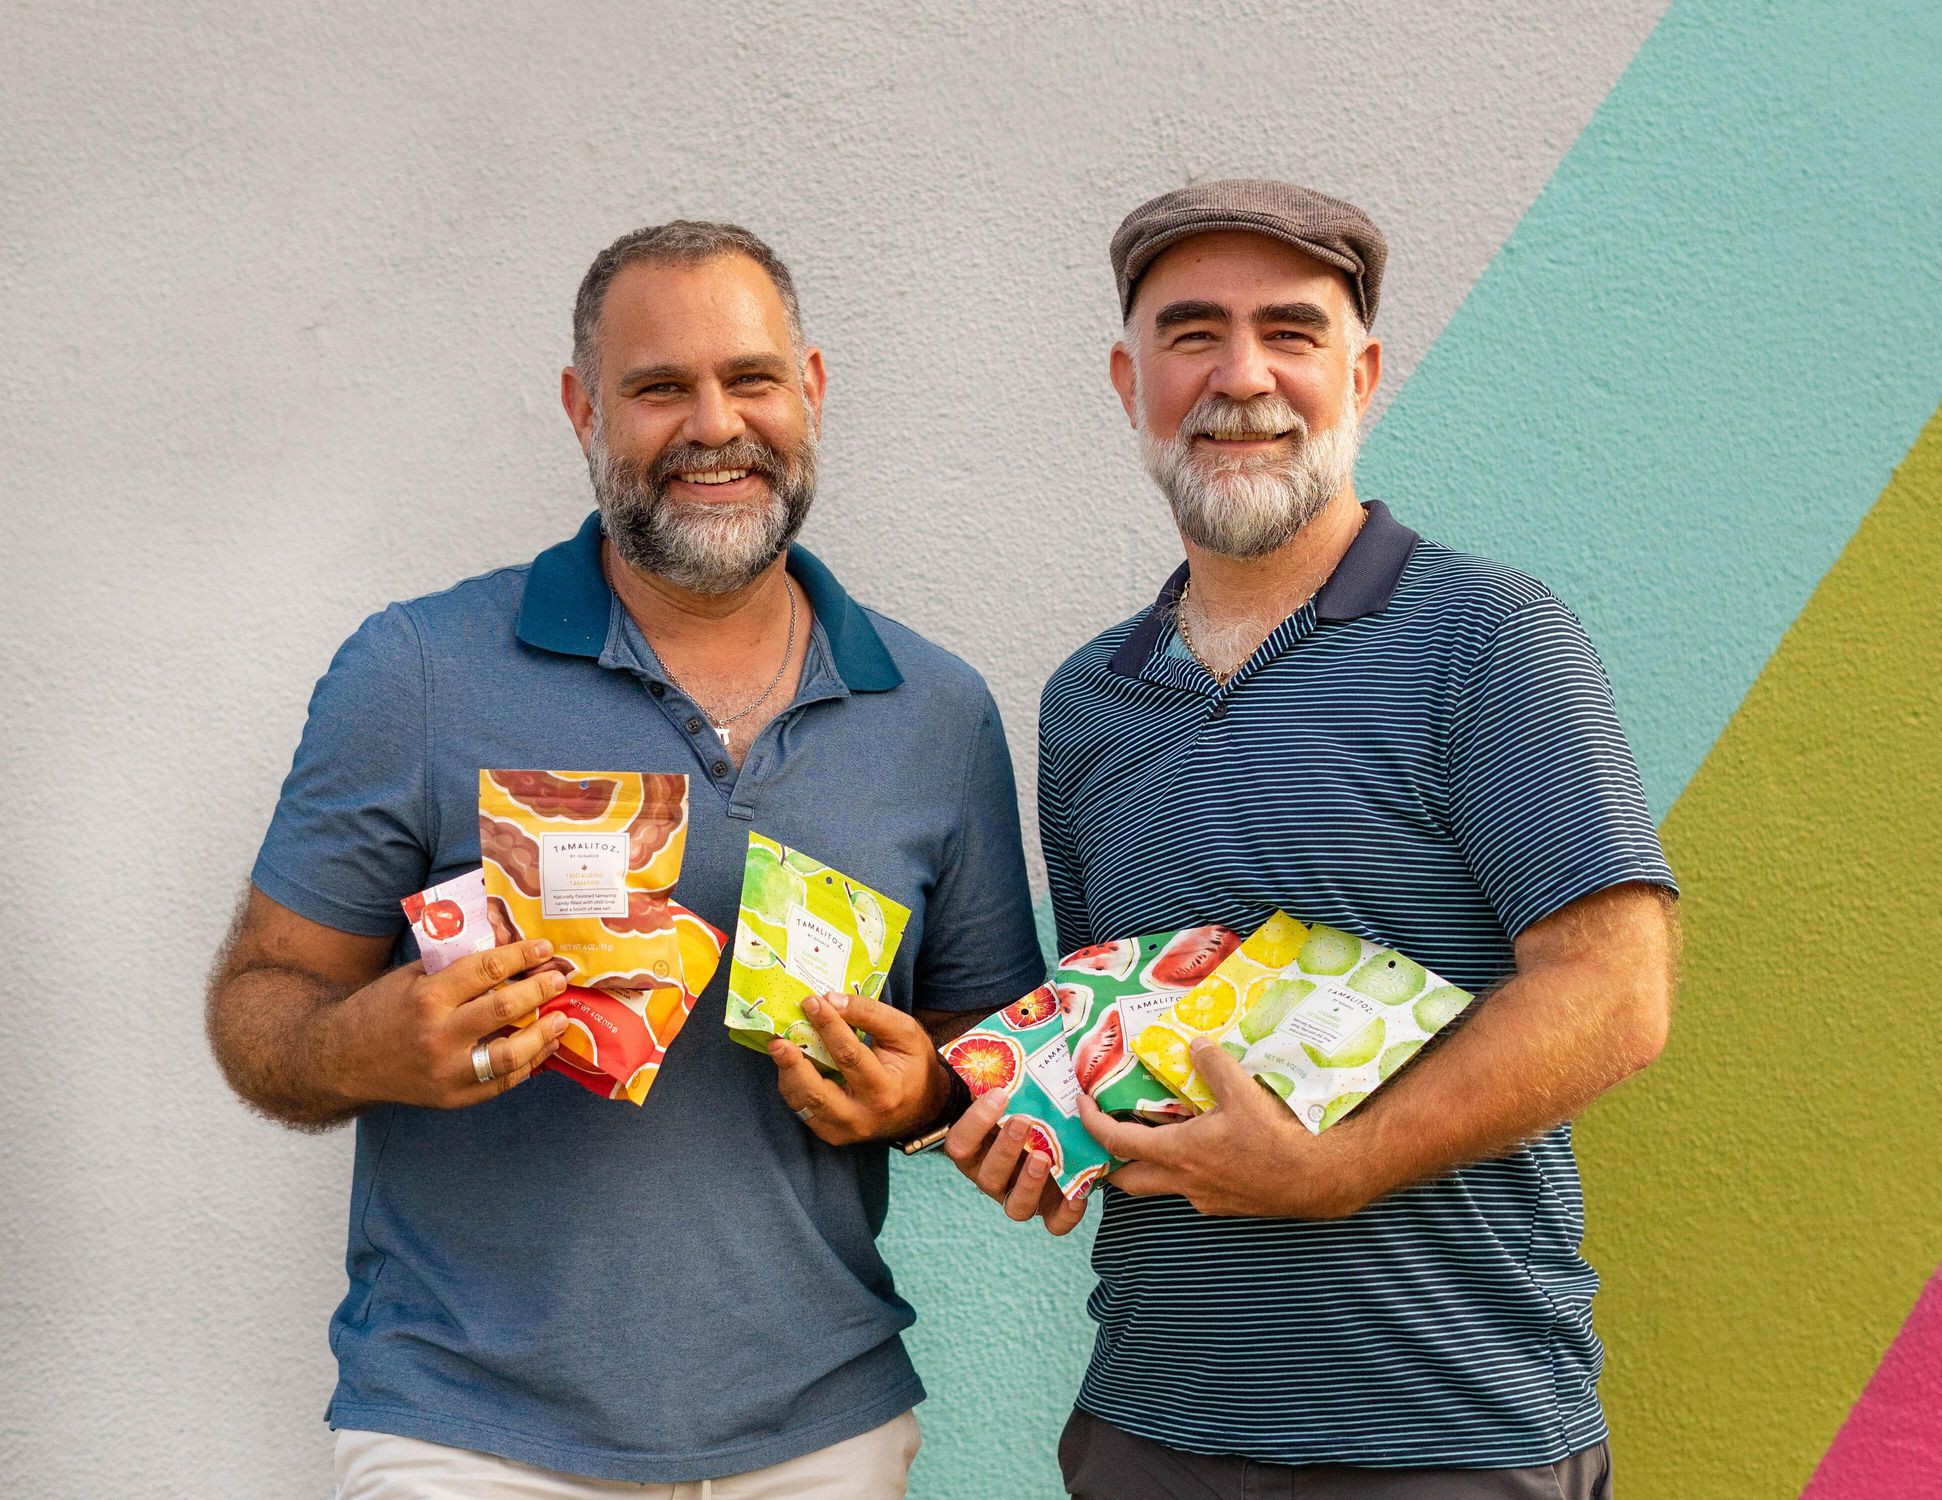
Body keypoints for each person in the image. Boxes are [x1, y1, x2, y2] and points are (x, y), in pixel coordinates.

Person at [207, 220, 1045, 1497]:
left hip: (822, 1434)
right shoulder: (419, 673)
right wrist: (365, 1045)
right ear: (580, 409)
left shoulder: (935, 713)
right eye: (659, 388)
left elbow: (993, 1044)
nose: (714, 424)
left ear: (809, 391)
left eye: (750, 379)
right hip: (466, 1434)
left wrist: (924, 1093)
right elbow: (260, 1000)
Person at [947, 180, 1679, 1500]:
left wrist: (1331, 1169)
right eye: (1192, 334)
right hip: (1148, 1428)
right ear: (1130, 380)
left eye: (1290, 330)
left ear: (1363, 371)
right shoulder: (1087, 703)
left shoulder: (1489, 639)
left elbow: (1617, 994)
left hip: (1448, 1436)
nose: (1243, 377)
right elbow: (1123, 1027)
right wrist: (1040, 1129)